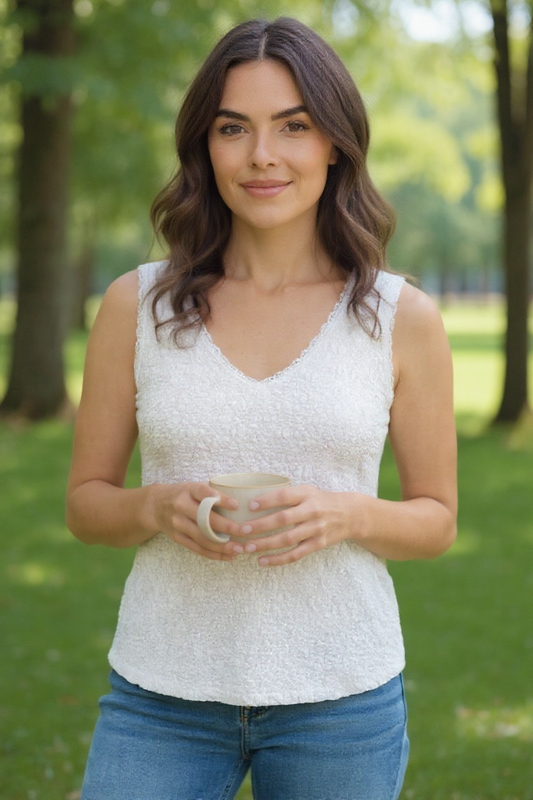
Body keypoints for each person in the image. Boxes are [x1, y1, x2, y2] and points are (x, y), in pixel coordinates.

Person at [66, 16, 457, 800]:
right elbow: (85, 506)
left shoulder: (397, 315)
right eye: (232, 128)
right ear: (203, 147)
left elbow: (436, 519)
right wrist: (156, 505)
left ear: (334, 144)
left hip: (341, 697)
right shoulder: (134, 305)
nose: (261, 156)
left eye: (293, 126)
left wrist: (342, 515)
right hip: (161, 691)